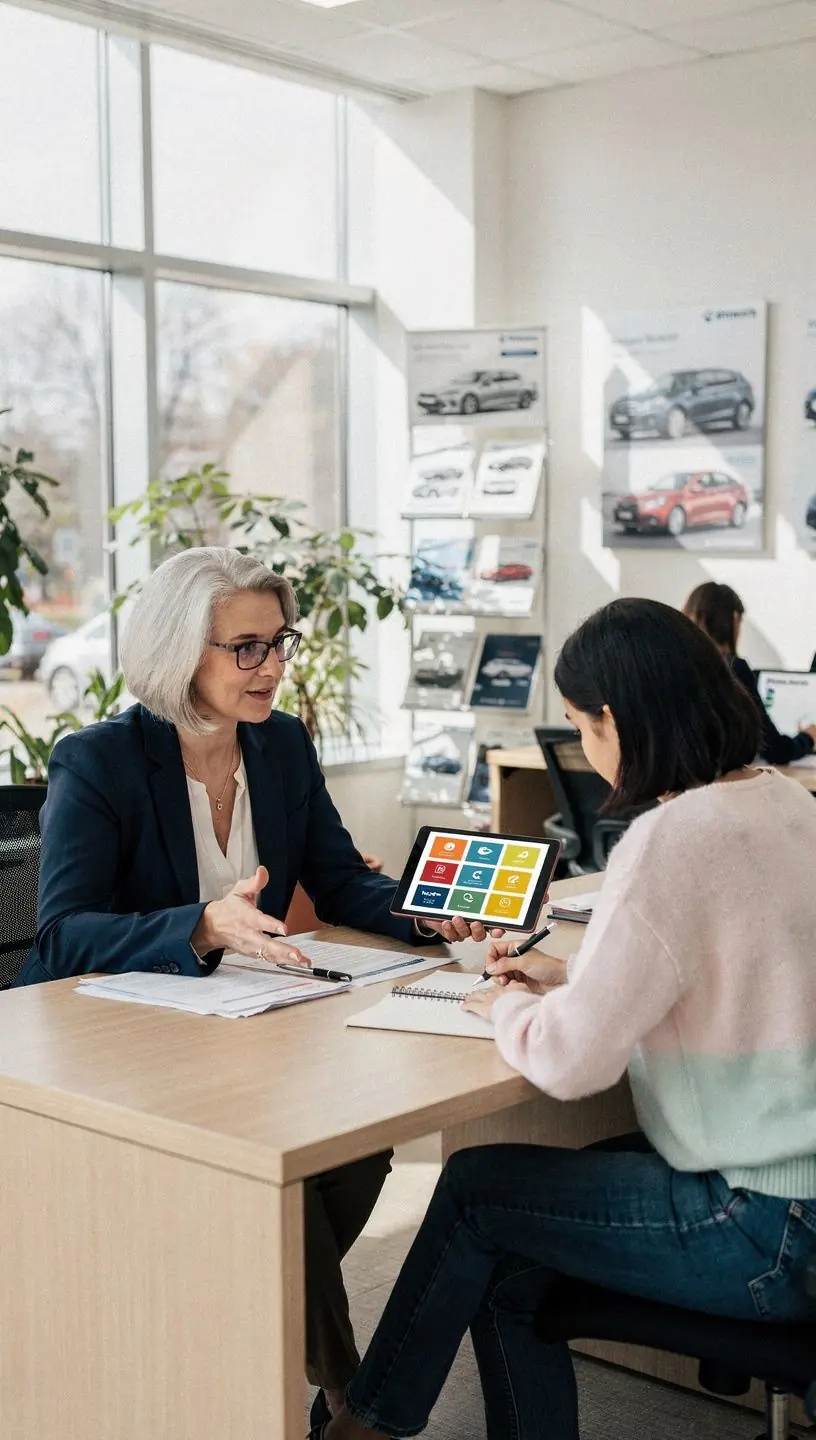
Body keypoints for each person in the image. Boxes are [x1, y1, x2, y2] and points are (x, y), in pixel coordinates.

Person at [16, 546, 500, 1426]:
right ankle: (353, 1396)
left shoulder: (279, 744)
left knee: (352, 1146)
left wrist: (431, 915)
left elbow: (342, 880)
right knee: (277, 1180)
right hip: (127, 1049)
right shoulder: (100, 760)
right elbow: (62, 935)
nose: (273, 666)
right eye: (246, 647)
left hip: (252, 1028)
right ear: (176, 652)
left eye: (280, 643)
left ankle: (270, 1345)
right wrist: (201, 925)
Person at [319, 598, 816, 1440]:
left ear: (614, 720)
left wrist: (506, 997)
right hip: (799, 1195)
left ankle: (363, 1426)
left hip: (759, 1227)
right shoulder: (788, 801)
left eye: (581, 723)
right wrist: (575, 971)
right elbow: (738, 962)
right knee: (511, 1270)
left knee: (476, 1188)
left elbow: (571, 1062)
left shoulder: (667, 839)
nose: (584, 745)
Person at [683, 580, 816, 764]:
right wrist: (808, 737)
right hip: (721, 783)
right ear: (735, 618)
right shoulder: (732, 669)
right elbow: (776, 750)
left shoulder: (676, 665)